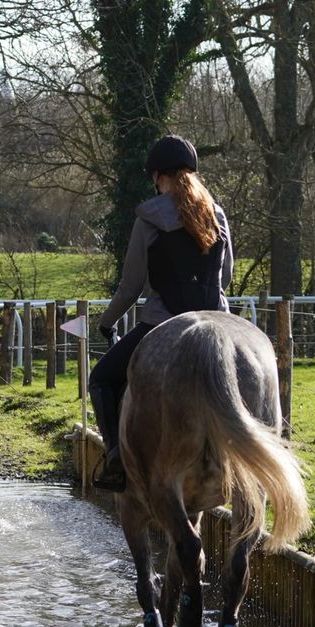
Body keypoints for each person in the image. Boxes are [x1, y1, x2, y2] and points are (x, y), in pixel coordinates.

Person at [89, 134, 234, 491]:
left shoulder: (149, 219)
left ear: (157, 176)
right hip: (218, 321)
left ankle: (115, 459)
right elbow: (225, 277)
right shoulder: (217, 215)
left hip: (161, 323)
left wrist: (106, 323)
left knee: (102, 380)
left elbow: (131, 286)